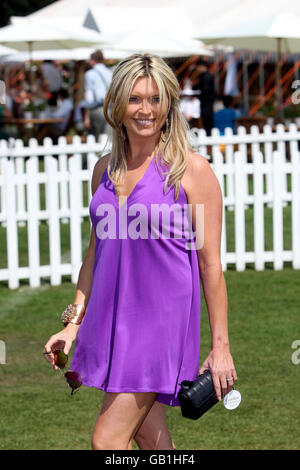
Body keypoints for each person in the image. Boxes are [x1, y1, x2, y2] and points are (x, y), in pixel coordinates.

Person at [44, 53, 237, 450]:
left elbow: (211, 265)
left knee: (107, 441)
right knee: (153, 441)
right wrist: (72, 324)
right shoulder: (104, 170)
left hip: (158, 328)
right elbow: (95, 254)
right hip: (112, 323)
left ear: (169, 105)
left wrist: (221, 348)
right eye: (134, 99)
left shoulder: (191, 171)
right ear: (117, 105)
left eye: (154, 99)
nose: (145, 110)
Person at [75, 50, 112, 140]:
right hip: (110, 109)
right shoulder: (110, 72)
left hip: (96, 109)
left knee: (93, 138)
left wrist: (86, 116)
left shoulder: (90, 74)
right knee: (107, 138)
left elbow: (89, 98)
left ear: (92, 60)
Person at [191, 59, 215, 136]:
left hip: (206, 104)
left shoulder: (206, 77)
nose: (197, 70)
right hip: (206, 104)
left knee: (207, 123)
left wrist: (195, 94)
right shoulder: (204, 76)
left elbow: (205, 92)